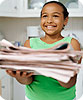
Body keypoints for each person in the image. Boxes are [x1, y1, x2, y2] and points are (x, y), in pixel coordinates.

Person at [6, 1, 81, 100]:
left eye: (55, 16)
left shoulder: (72, 43)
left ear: (65, 20)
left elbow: (70, 83)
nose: (49, 20)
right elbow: (28, 81)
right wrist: (21, 77)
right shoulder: (30, 43)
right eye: (45, 16)